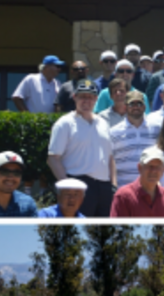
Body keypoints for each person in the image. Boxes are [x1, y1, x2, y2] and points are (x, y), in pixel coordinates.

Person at [47, 79, 115, 218]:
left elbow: (110, 157)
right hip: (78, 183)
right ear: (74, 97)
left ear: (96, 99)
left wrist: (113, 185)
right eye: (82, 96)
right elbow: (53, 158)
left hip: (104, 187)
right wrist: (67, 186)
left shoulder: (103, 123)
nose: (86, 101)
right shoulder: (65, 123)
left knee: (104, 233)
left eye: (90, 97)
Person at [109, 90, 161, 187]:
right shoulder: (114, 132)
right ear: (125, 107)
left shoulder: (156, 129)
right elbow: (110, 162)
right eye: (132, 104)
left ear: (144, 107)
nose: (136, 107)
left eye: (139, 103)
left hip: (150, 189)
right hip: (123, 189)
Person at [111, 146, 164, 217]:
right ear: (139, 168)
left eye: (158, 167)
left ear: (163, 170)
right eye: (150, 166)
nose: (153, 171)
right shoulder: (123, 196)